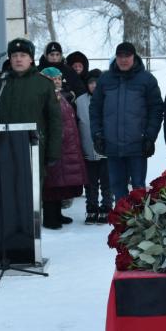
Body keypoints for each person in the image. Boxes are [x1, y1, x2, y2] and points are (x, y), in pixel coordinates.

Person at [0, 37, 62, 216]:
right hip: (2, 151)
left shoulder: (43, 84)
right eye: (14, 55)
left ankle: (29, 233)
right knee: (4, 202)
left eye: (23, 55)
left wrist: (52, 152)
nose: (18, 59)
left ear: (31, 59)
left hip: (32, 152)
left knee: (29, 203)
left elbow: (54, 120)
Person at [90, 41, 162, 201]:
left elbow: (156, 110)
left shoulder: (147, 79)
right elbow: (95, 109)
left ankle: (139, 217)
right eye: (120, 56)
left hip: (137, 146)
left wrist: (150, 137)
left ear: (134, 57)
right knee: (118, 189)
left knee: (139, 190)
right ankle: (121, 216)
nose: (123, 59)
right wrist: (97, 134)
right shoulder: (105, 79)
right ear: (115, 57)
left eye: (127, 56)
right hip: (112, 146)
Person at [39, 67, 86, 229]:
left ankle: (57, 213)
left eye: (58, 79)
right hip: (54, 145)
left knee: (59, 182)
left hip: (65, 146)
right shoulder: (45, 97)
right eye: (53, 79)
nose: (57, 82)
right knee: (51, 184)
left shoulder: (60, 95)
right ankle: (49, 218)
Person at [75, 68, 111, 224]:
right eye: (91, 82)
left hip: (106, 149)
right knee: (90, 183)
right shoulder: (79, 101)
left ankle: (107, 207)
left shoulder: (109, 98)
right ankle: (91, 208)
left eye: (97, 82)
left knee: (107, 181)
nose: (94, 85)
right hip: (87, 148)